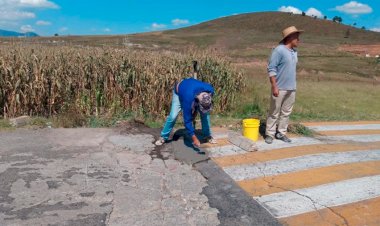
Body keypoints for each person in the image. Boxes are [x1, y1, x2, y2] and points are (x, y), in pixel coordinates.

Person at [265, 26, 303, 144]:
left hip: (291, 88)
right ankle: (269, 134)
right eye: (296, 37)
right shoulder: (279, 50)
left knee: (286, 112)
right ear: (289, 38)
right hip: (279, 87)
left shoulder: (294, 52)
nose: (298, 40)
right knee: (274, 112)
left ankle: (281, 133)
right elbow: (271, 68)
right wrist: (274, 86)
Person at [155, 77, 217, 147]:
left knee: (205, 114)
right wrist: (194, 138)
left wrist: (196, 110)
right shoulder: (188, 98)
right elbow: (187, 120)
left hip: (191, 89)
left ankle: (207, 135)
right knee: (173, 116)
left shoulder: (210, 90)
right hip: (179, 92)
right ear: (198, 101)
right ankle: (163, 137)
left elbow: (202, 104)